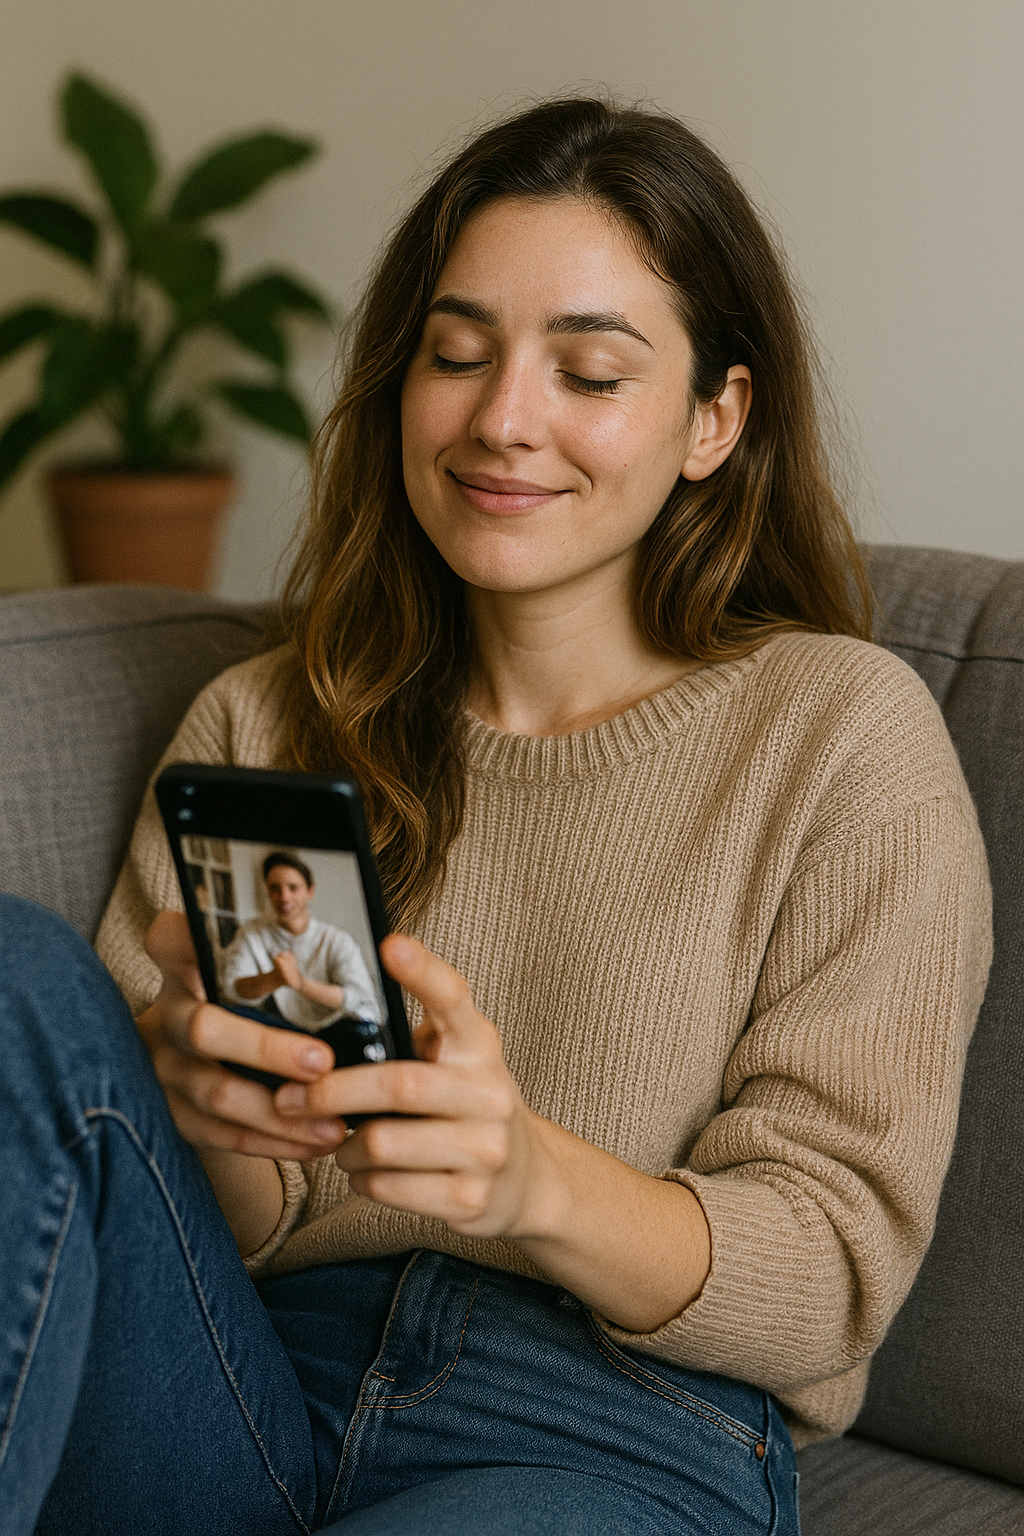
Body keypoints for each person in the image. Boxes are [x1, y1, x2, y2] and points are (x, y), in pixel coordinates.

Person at [0, 97, 990, 1536]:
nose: (500, 419)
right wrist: (213, 1119)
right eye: (456, 355)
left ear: (717, 417)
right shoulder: (266, 723)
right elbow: (228, 1228)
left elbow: (830, 1274)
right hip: (246, 1383)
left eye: (588, 371)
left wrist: (525, 1173)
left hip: (604, 1429)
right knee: (24, 979)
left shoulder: (839, 736)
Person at [221, 852, 381, 1027]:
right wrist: (274, 979)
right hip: (281, 1027)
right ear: (267, 891)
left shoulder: (337, 940)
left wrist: (301, 984)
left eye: (293, 887)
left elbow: (361, 1002)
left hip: (337, 1028)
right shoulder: (253, 932)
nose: (284, 897)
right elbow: (232, 989)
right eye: (275, 888)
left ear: (310, 891)